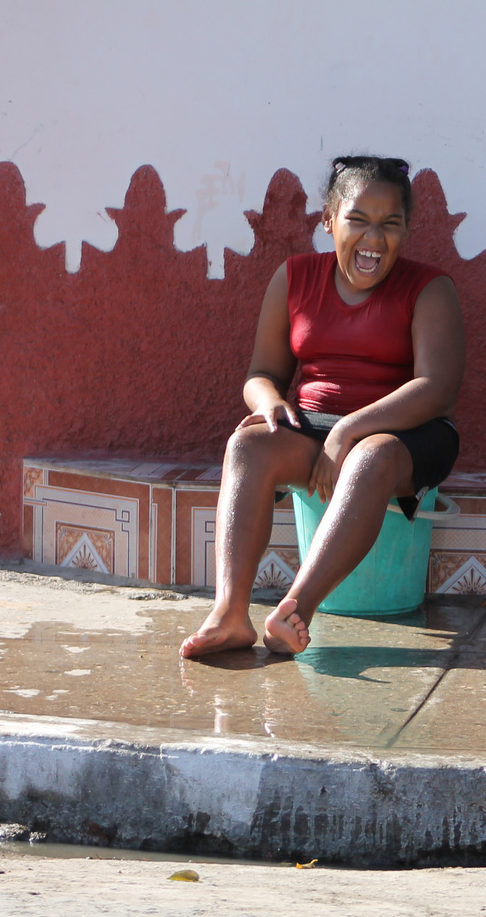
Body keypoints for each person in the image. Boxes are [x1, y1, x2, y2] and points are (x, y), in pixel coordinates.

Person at [180, 155, 465, 659]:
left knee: (370, 456)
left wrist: (349, 431)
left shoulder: (429, 288)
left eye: (390, 225)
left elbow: (436, 387)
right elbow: (261, 376)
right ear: (329, 219)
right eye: (358, 220)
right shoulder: (293, 279)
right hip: (314, 425)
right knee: (246, 445)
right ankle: (229, 613)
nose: (374, 240)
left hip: (407, 434)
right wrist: (269, 404)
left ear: (406, 230)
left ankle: (294, 611)